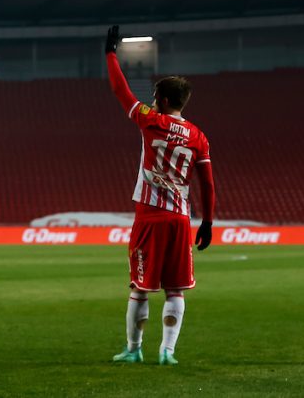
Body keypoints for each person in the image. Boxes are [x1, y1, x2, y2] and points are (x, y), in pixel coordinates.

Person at [104, 25, 217, 366]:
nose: (152, 101)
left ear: (164, 101)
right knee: (175, 288)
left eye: (155, 96)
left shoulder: (151, 120)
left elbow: (118, 89)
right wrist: (208, 222)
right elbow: (208, 184)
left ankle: (134, 349)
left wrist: (110, 53)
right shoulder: (198, 136)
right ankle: (167, 351)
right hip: (182, 219)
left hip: (151, 216)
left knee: (139, 287)